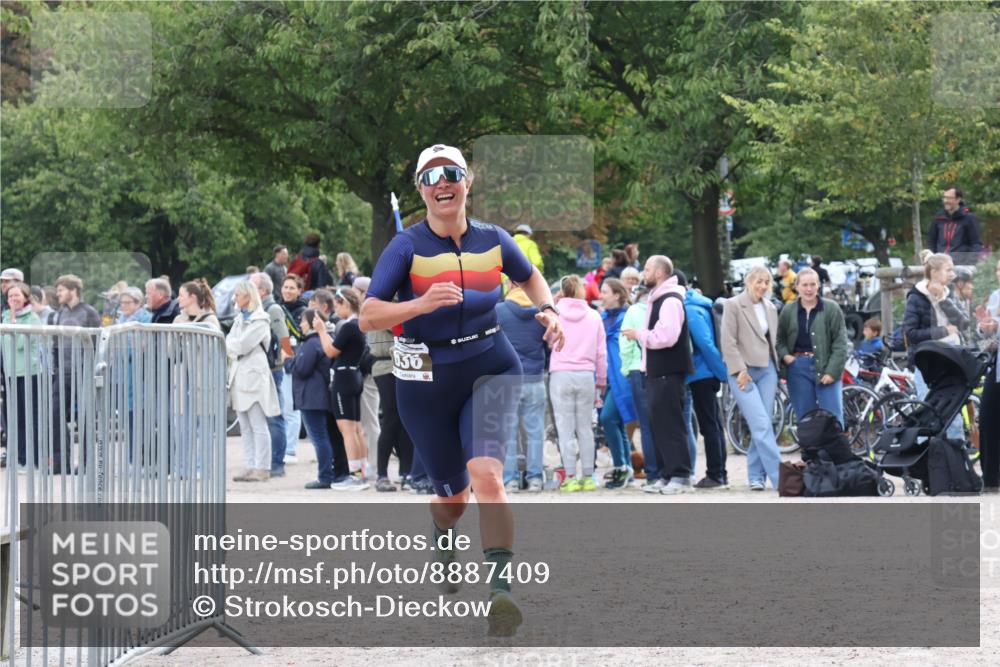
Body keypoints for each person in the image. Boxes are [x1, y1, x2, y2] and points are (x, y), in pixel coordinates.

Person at [361, 144, 563, 636]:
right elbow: (368, 315)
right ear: (420, 191)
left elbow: (532, 278)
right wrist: (419, 304)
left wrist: (550, 310)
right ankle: (442, 529)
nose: (441, 182)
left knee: (487, 475)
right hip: (425, 382)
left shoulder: (495, 240)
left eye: (451, 173)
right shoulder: (405, 247)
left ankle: (501, 594)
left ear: (467, 182)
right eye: (429, 177)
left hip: (489, 365)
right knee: (452, 498)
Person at [621, 255, 693, 495]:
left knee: (671, 425)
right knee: (658, 425)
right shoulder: (659, 298)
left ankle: (681, 475)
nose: (644, 272)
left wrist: (639, 335)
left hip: (668, 371)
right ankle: (666, 474)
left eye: (648, 269)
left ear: (660, 273)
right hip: (655, 371)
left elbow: (667, 336)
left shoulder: (670, 301)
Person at [719, 266, 782, 491]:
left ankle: (756, 476)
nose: (763, 286)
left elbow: (773, 341)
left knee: (763, 423)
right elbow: (728, 341)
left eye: (766, 282)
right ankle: (781, 478)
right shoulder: (733, 305)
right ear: (749, 281)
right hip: (742, 373)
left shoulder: (771, 308)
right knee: (761, 423)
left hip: (767, 371)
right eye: (759, 281)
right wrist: (739, 369)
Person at [902, 252, 969, 441]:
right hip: (927, 365)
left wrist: (943, 301)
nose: (952, 274)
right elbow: (912, 334)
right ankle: (926, 465)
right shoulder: (916, 298)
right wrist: (943, 331)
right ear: (934, 272)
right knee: (929, 415)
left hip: (952, 363)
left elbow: (964, 324)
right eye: (948, 270)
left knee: (954, 416)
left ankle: (957, 463)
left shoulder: (949, 294)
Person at [549, 275, 606, 492]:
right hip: (586, 374)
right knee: (585, 429)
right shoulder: (594, 316)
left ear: (562, 291)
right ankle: (589, 477)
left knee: (565, 428)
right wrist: (601, 381)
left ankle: (570, 476)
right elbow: (601, 353)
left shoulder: (555, 313)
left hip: (561, 373)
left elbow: (547, 339)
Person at [776, 268, 848, 426]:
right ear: (797, 286)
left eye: (812, 284)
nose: (809, 289)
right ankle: (810, 451)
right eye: (804, 285)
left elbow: (840, 343)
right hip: (797, 368)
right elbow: (778, 339)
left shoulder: (831, 308)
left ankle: (835, 451)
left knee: (833, 417)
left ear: (818, 286)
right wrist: (786, 357)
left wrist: (832, 371)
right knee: (805, 418)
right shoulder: (788, 310)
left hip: (826, 366)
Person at [495, 286, 548, 493]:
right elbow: (547, 346)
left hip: (508, 380)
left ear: (510, 286)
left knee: (507, 434)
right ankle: (535, 478)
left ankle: (510, 480)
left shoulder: (499, 311)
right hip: (535, 378)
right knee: (535, 433)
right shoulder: (540, 314)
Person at [226, 280, 280, 482]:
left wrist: (232, 345)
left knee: (258, 423)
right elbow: (230, 342)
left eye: (238, 295)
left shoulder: (260, 320)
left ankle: (263, 467)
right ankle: (250, 464)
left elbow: (240, 345)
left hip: (254, 375)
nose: (235, 298)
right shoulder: (239, 319)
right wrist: (232, 345)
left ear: (248, 296)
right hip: (239, 373)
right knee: (245, 425)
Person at [316, 286, 369, 490]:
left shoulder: (348, 327)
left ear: (345, 304)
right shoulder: (358, 325)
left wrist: (321, 330)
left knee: (347, 430)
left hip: (343, 378)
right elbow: (338, 348)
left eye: (337, 305)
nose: (336, 310)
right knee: (356, 429)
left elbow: (330, 351)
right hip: (353, 375)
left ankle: (354, 477)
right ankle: (361, 472)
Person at [683, 274, 730, 490]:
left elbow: (705, 344)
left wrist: (721, 372)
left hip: (702, 374)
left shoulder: (691, 310)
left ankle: (715, 475)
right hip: (707, 373)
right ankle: (721, 473)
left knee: (709, 427)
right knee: (715, 425)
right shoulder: (702, 305)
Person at [283, 309, 338, 489]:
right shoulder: (321, 340)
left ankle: (325, 476)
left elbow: (302, 369)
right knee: (324, 436)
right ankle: (330, 473)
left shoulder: (311, 343)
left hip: (311, 397)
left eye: (302, 321)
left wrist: (288, 361)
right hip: (319, 395)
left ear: (312, 322)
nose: (300, 324)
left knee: (319, 438)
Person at [249, 272, 290, 479]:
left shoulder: (272, 309)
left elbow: (283, 337)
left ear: (263, 290)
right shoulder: (255, 309)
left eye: (252, 286)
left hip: (272, 369)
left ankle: (277, 462)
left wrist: (282, 361)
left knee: (274, 416)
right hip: (261, 369)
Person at [598, 278, 637, 489]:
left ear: (617, 295)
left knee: (608, 418)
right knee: (616, 422)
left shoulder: (626, 318)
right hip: (608, 377)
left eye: (605, 292)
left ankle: (621, 466)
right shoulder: (603, 318)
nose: (601, 295)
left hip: (621, 376)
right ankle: (626, 469)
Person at [2, 281, 43, 467]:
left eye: (17, 295)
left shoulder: (32, 318)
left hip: (29, 373)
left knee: (29, 417)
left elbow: (19, 344)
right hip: (11, 374)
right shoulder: (3, 316)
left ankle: (31, 459)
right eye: (10, 296)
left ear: (25, 296)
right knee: (14, 418)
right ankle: (17, 457)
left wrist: (12, 319)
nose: (13, 299)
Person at [620, 284, 658, 485]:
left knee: (645, 424)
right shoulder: (661, 308)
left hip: (637, 369)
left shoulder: (633, 312)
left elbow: (625, 343)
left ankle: (652, 472)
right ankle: (666, 469)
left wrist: (626, 369)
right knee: (661, 422)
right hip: (659, 368)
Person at [352, 276, 382, 478]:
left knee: (370, 420)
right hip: (366, 369)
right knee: (365, 420)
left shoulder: (374, 309)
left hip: (370, 370)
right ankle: (370, 462)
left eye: (354, 290)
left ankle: (375, 464)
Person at [279, 274, 307, 462]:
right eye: (285, 287)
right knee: (279, 408)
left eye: (292, 288)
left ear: (299, 291)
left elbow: (299, 333)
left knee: (291, 408)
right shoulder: (277, 308)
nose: (287, 291)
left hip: (293, 363)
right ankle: (280, 448)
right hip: (276, 363)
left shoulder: (302, 311)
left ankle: (290, 449)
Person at [977, 259, 1000, 491]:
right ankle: (991, 479)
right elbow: (988, 342)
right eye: (997, 269)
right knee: (988, 420)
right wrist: (984, 328)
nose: (999, 273)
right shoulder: (996, 296)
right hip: (997, 365)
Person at [927, 185, 983, 262]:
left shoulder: (969, 218)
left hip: (961, 265)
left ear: (958, 200)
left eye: (949, 198)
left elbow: (976, 244)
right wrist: (932, 258)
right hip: (940, 264)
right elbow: (931, 241)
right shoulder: (938, 218)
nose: (945, 201)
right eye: (944, 197)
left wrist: (969, 264)